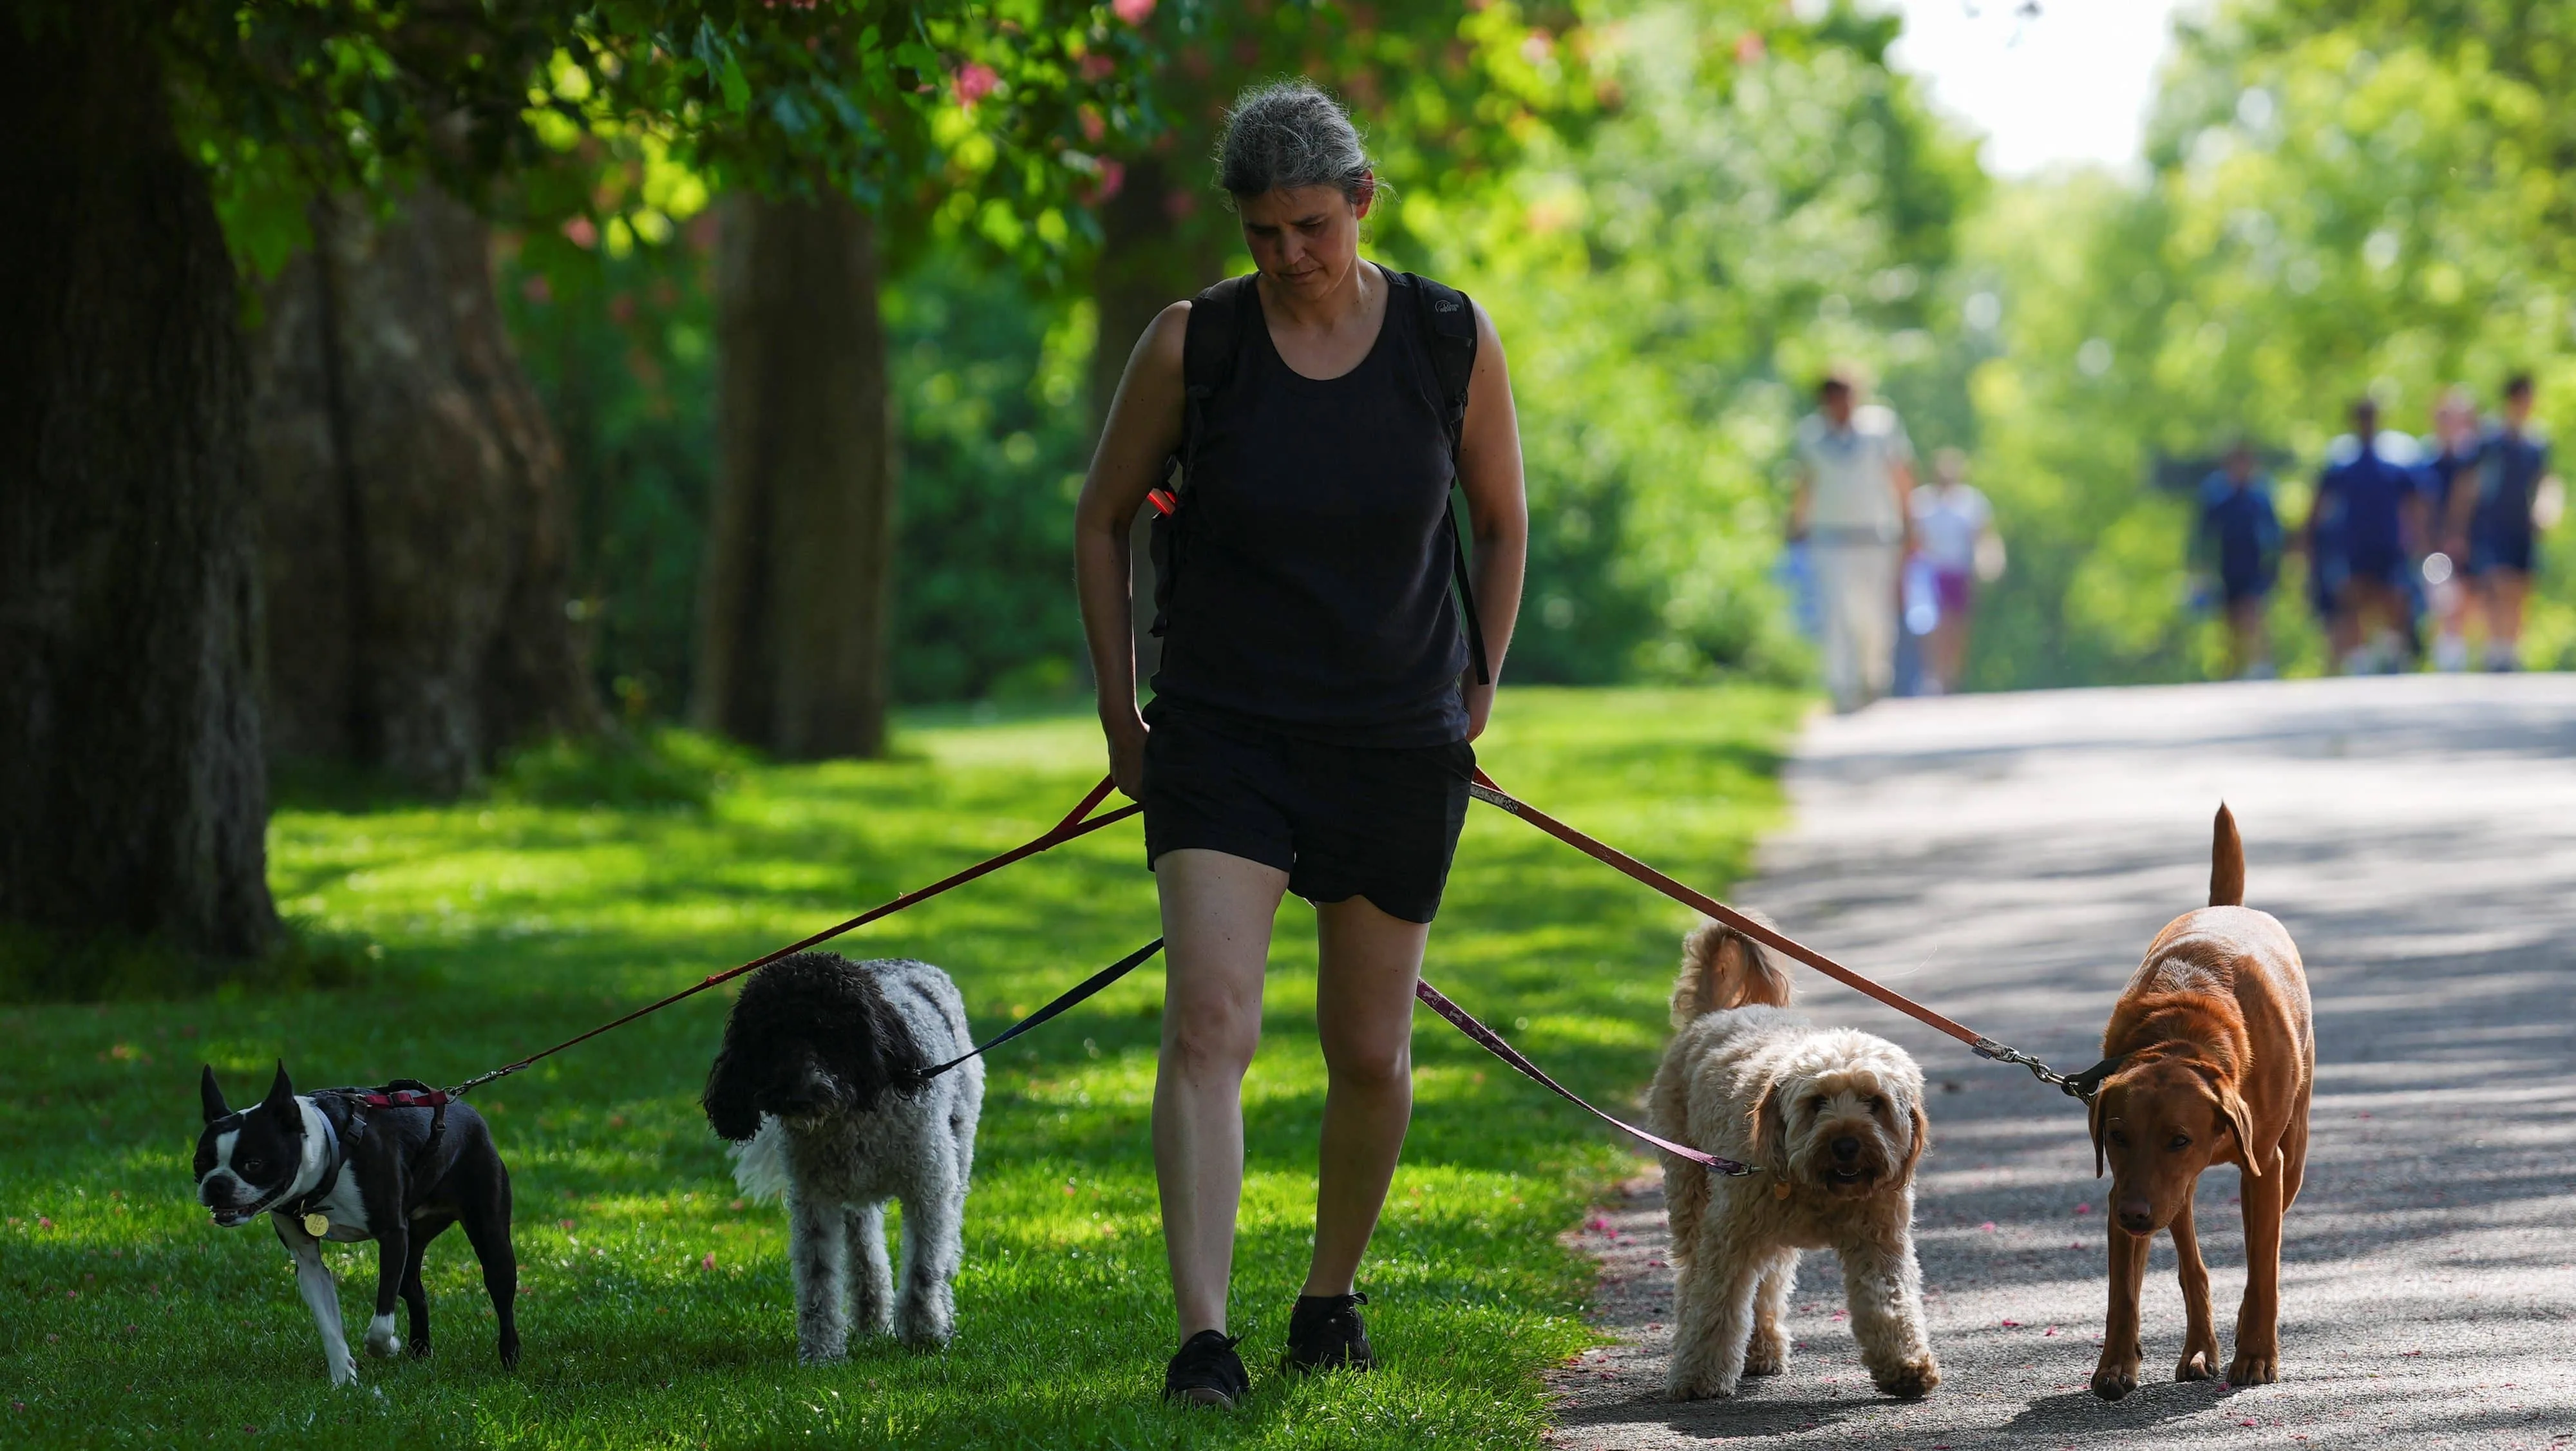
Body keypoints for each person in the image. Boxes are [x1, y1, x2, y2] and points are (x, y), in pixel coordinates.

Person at [1071, 80, 1528, 1408]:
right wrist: (1121, 714)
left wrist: (1477, 681)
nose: (1288, 257)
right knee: (1207, 1019)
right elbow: (1100, 521)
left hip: (1394, 735)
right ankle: (1201, 1338)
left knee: (1368, 1050)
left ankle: (1327, 1298)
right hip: (1221, 733)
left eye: (1312, 227)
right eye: (1263, 232)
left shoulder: (1448, 337)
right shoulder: (1190, 343)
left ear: (1360, 203)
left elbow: (1498, 521)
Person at [1790, 370, 1915, 712]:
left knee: (1874, 613)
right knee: (1836, 612)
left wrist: (1910, 524)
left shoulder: (1880, 429)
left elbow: (1900, 475)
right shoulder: (1811, 436)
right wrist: (1795, 524)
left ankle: (1873, 677)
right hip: (1829, 536)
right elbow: (1806, 482)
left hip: (1875, 535)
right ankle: (1842, 685)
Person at [2447, 374, 2554, 670]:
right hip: (2491, 526)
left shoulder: (2537, 443)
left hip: (2522, 526)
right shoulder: (2488, 441)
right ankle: (2496, 648)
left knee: (2519, 587)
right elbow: (2466, 487)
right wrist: (2458, 530)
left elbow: (2545, 481)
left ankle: (2511, 648)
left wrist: (2545, 511)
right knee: (2496, 584)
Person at [2306, 399, 2419, 673]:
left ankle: (2393, 656)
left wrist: (2416, 539)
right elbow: (2320, 505)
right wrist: (2310, 541)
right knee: (2353, 599)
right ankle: (2359, 660)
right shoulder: (2341, 464)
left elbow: (2415, 503)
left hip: (2389, 544)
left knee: (2393, 598)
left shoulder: (2394, 463)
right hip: (2352, 544)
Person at [1907, 448, 2002, 695]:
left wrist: (1989, 561)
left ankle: (1952, 676)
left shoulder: (1971, 502)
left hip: (1960, 570)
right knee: (1932, 624)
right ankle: (1934, 675)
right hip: (1929, 570)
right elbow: (1911, 538)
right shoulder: (1921, 502)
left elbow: (1984, 535)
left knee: (1958, 625)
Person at [2195, 442, 2283, 679]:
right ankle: (2233, 668)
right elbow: (2204, 535)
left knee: (2254, 612)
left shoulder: (2260, 495)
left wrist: (2275, 565)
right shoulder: (2217, 496)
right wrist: (2201, 570)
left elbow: (2274, 532)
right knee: (2230, 619)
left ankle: (2262, 664)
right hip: (2226, 566)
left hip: (2253, 565)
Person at [2416, 388, 2482, 671]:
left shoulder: (2475, 459)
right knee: (2443, 598)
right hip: (2436, 543)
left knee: (2469, 597)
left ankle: (2466, 651)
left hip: (2473, 540)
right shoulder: (2426, 461)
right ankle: (2449, 655)